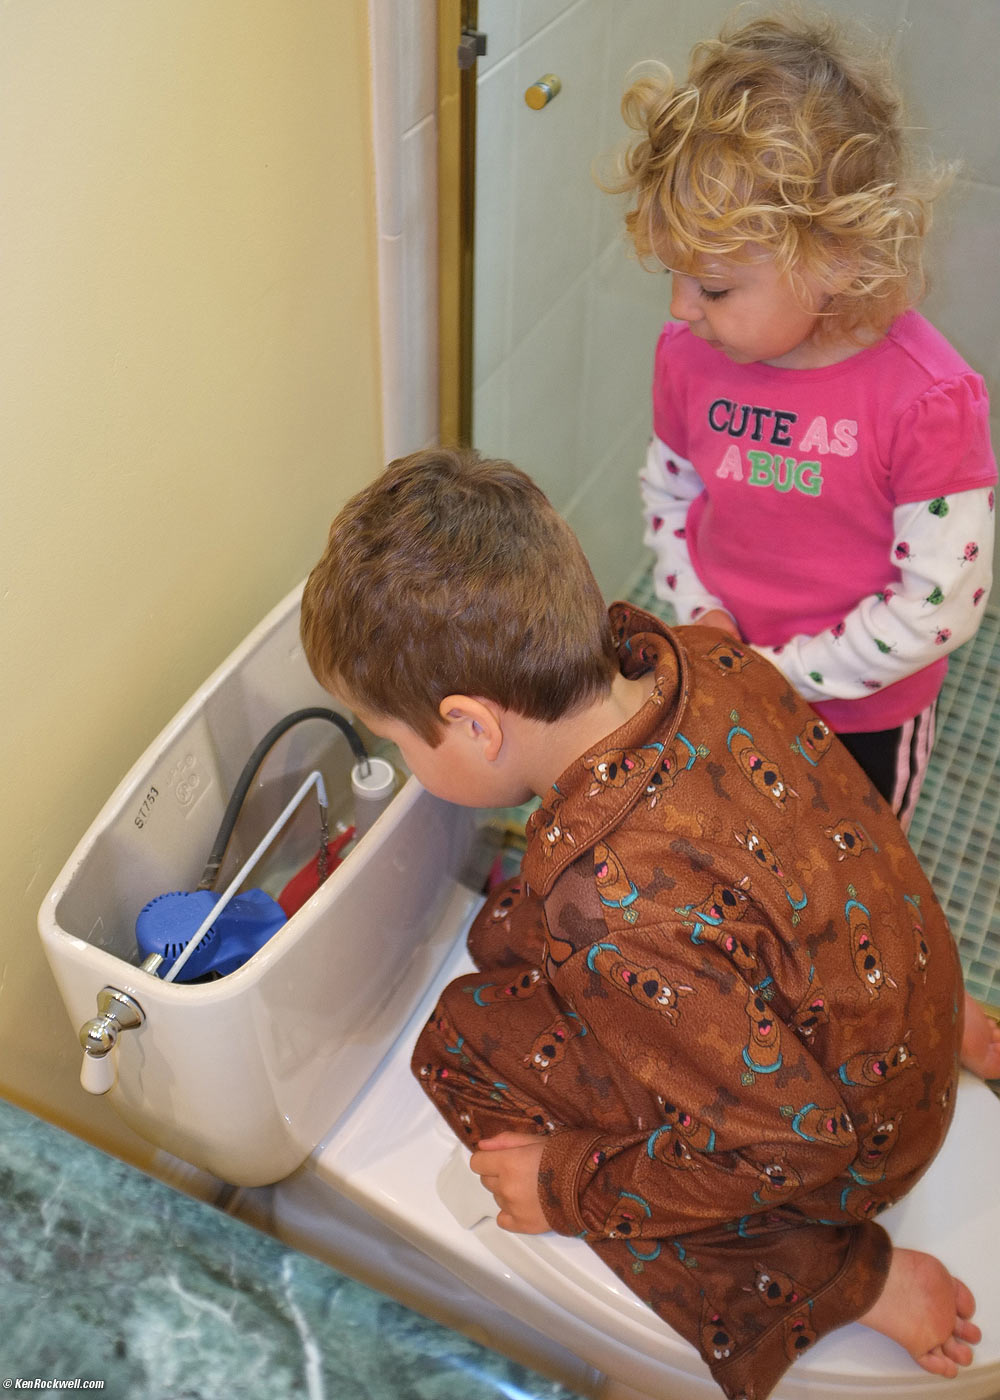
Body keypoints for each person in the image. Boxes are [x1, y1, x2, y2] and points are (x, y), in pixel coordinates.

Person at [300, 447, 980, 1400]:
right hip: (903, 1010)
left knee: (460, 1039)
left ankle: (840, 1279)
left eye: (396, 739)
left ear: (475, 726)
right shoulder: (700, 656)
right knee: (511, 934)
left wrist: (566, 1184)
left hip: (846, 1154)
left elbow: (792, 1145)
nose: (403, 758)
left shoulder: (614, 917)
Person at [612, 7, 999, 1080]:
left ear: (834, 255)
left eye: (713, 285)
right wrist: (696, 608)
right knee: (739, 847)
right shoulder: (691, 355)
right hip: (726, 673)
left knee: (850, 881)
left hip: (860, 715)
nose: (681, 308)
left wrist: (781, 674)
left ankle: (911, 1012)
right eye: (674, 276)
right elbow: (670, 484)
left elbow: (941, 606)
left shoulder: (926, 400)